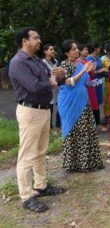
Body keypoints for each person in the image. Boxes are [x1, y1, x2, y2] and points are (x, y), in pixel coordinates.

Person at [9, 26, 66, 213]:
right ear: (25, 41)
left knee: (41, 151)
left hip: (43, 110)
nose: (39, 41)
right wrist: (51, 83)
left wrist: (58, 77)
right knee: (27, 154)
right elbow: (34, 86)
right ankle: (26, 196)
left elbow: (51, 80)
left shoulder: (36, 61)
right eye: (36, 38)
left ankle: (40, 186)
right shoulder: (18, 62)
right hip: (30, 111)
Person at [58, 40, 104, 173]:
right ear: (66, 53)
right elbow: (68, 83)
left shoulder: (79, 64)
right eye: (73, 49)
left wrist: (91, 77)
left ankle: (88, 162)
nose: (77, 51)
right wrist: (83, 70)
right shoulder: (63, 66)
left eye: (77, 48)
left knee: (87, 131)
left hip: (83, 101)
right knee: (73, 132)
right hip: (69, 103)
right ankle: (73, 164)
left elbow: (83, 83)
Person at [86, 42, 108, 132]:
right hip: (91, 83)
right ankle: (92, 123)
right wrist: (99, 71)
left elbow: (101, 69)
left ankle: (97, 122)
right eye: (99, 48)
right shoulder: (88, 59)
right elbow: (88, 72)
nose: (100, 49)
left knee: (98, 102)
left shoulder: (98, 58)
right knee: (91, 103)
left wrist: (103, 71)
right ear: (95, 48)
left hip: (99, 82)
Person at [77, 44, 99, 124]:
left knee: (92, 103)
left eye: (86, 49)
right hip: (84, 85)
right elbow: (80, 75)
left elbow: (92, 75)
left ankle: (92, 123)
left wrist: (93, 69)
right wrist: (88, 70)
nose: (86, 51)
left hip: (90, 84)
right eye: (84, 49)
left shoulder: (87, 61)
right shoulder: (78, 62)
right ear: (80, 51)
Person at [42, 44, 61, 130]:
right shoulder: (43, 63)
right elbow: (43, 76)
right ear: (45, 52)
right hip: (49, 89)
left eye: (53, 49)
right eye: (50, 49)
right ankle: (50, 128)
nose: (53, 51)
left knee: (59, 107)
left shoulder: (56, 61)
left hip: (57, 88)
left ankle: (58, 125)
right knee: (50, 109)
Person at [101, 43, 110, 129]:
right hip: (107, 82)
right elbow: (101, 71)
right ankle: (108, 119)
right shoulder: (103, 59)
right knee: (107, 101)